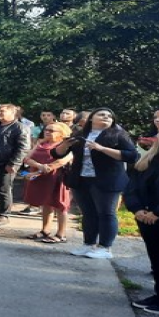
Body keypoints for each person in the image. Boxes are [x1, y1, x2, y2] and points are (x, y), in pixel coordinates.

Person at [52, 107, 138, 259]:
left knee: (106, 213)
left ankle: (105, 248)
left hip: (108, 180)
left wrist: (102, 148)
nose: (106, 117)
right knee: (88, 213)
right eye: (102, 114)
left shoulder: (118, 134)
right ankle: (88, 244)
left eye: (109, 116)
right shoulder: (80, 134)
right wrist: (65, 145)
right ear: (91, 118)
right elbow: (56, 154)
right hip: (82, 179)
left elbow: (132, 156)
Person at [124, 119, 159, 314]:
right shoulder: (151, 159)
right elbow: (133, 187)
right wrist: (137, 209)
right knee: (157, 258)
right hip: (147, 217)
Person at [20, 122, 74, 243]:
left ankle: (61, 234)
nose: (47, 132)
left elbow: (60, 162)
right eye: (46, 129)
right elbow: (27, 159)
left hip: (57, 178)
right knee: (46, 204)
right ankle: (45, 230)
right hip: (41, 177)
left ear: (62, 133)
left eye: (51, 130)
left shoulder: (66, 145)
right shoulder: (41, 143)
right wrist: (39, 166)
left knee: (61, 206)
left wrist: (37, 172)